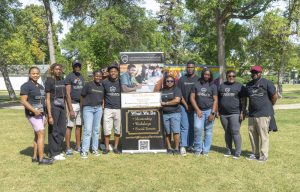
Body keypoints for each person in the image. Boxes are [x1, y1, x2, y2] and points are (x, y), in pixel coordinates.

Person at [20, 67, 53, 165]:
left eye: (37, 73)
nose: (35, 75)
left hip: (41, 115)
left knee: (37, 135)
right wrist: (34, 110)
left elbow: (44, 102)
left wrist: (46, 115)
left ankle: (35, 157)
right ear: (29, 74)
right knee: (41, 133)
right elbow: (23, 101)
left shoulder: (41, 87)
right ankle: (41, 159)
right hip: (32, 115)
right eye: (33, 73)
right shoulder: (26, 86)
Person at [245, 66, 278, 162]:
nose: (254, 74)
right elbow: (247, 98)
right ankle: (255, 154)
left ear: (260, 73)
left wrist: (269, 105)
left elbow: (274, 96)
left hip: (263, 114)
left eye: (256, 72)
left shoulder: (267, 83)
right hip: (252, 114)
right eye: (252, 72)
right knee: (252, 135)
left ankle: (264, 156)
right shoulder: (249, 84)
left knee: (263, 136)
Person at [190, 68, 218, 157]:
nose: (207, 76)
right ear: (202, 74)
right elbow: (192, 98)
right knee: (197, 128)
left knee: (208, 131)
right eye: (205, 74)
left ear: (210, 76)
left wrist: (212, 113)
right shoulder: (196, 84)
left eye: (208, 75)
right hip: (199, 110)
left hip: (209, 110)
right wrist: (197, 110)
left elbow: (215, 100)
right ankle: (198, 149)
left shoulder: (213, 86)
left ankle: (205, 150)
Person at [218, 70, 246, 159]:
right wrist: (218, 110)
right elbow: (218, 99)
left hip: (235, 113)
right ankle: (228, 150)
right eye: (229, 76)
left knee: (235, 131)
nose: (231, 77)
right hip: (223, 114)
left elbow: (244, 100)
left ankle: (237, 151)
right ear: (226, 76)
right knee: (227, 132)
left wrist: (242, 112)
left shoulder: (240, 86)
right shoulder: (222, 86)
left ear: (235, 76)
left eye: (233, 76)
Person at [45, 63, 67, 160]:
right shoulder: (49, 81)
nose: (58, 71)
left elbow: (64, 96)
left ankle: (57, 150)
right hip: (53, 107)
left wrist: (65, 110)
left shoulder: (62, 80)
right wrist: (49, 115)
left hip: (62, 107)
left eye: (60, 69)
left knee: (62, 130)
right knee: (54, 130)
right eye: (56, 69)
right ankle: (53, 153)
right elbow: (47, 98)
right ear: (52, 70)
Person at [80, 70, 104, 158]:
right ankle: (84, 151)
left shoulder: (102, 86)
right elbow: (82, 96)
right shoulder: (88, 85)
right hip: (88, 109)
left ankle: (94, 149)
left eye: (100, 76)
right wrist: (82, 108)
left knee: (96, 130)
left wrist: (102, 106)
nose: (98, 78)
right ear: (93, 76)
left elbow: (103, 97)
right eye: (97, 76)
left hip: (98, 109)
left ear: (102, 77)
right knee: (87, 130)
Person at [177, 60, 199, 156]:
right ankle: (183, 146)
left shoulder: (198, 79)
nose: (190, 69)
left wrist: (195, 106)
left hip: (195, 107)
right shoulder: (182, 79)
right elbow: (179, 94)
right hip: (183, 106)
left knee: (193, 126)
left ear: (195, 68)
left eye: (192, 67)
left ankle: (190, 145)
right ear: (186, 68)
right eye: (188, 67)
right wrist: (186, 105)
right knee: (184, 126)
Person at [65, 60, 84, 156]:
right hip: (72, 104)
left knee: (79, 126)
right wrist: (70, 109)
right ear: (73, 67)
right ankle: (68, 148)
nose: (77, 67)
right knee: (69, 126)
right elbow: (67, 94)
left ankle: (78, 146)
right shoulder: (69, 77)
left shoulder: (81, 76)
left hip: (80, 105)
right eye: (75, 66)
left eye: (79, 66)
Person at [102, 65, 122, 154]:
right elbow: (102, 95)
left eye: (115, 71)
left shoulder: (121, 82)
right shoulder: (104, 82)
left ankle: (115, 147)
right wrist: (103, 105)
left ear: (117, 73)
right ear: (109, 73)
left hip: (118, 109)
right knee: (107, 129)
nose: (113, 73)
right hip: (108, 109)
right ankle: (106, 148)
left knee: (117, 129)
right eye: (111, 71)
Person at [161, 75, 182, 155]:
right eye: (167, 81)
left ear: (174, 82)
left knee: (176, 131)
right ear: (165, 82)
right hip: (165, 114)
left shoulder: (177, 89)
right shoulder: (162, 90)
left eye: (171, 81)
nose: (169, 83)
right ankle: (169, 148)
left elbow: (177, 100)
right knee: (167, 132)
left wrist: (166, 103)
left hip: (175, 113)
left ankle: (176, 148)